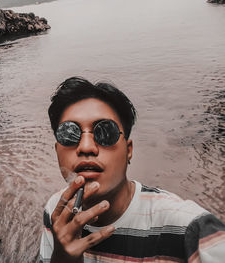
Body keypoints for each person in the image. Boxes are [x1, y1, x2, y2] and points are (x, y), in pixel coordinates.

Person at [39, 77, 225, 263]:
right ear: (57, 151)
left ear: (128, 151)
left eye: (105, 132)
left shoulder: (185, 227)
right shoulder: (57, 211)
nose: (86, 147)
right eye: (69, 134)